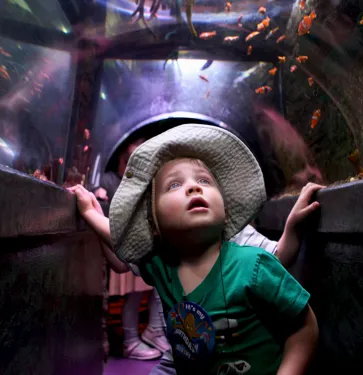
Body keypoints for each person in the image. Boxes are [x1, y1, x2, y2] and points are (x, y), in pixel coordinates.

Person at [69, 124, 320, 374]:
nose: (194, 187)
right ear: (154, 224)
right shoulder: (162, 266)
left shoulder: (252, 263)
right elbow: (118, 243)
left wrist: (292, 230)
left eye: (204, 181)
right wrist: (91, 212)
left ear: (226, 212)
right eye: (174, 185)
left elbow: (302, 324)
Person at [94, 137, 169, 360]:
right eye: (132, 157)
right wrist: (97, 193)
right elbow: (94, 190)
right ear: (122, 158)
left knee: (154, 285)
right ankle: (130, 341)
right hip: (119, 242)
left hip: (141, 242)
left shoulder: (139, 181)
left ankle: (154, 330)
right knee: (131, 293)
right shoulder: (109, 179)